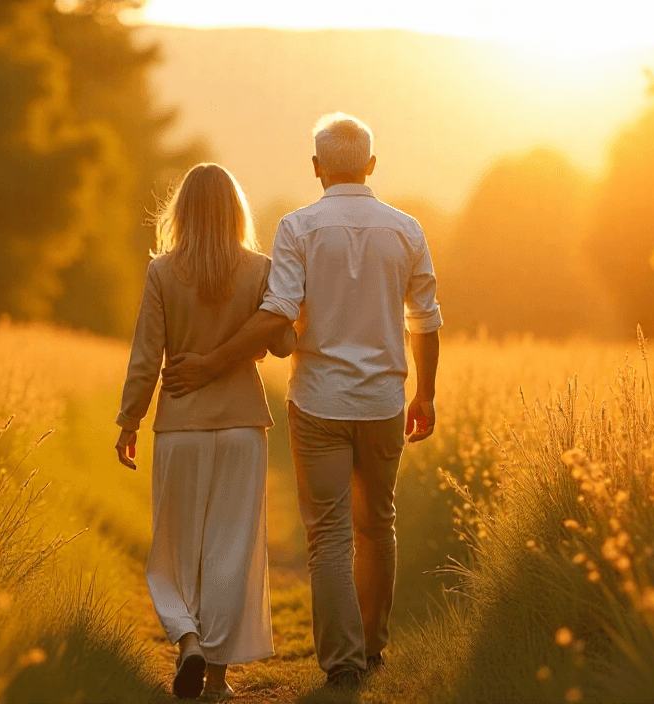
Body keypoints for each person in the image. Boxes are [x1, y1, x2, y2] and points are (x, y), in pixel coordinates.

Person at [162, 113, 442, 691]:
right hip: (386, 400)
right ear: (371, 164)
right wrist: (426, 394)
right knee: (379, 523)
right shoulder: (407, 229)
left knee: (331, 534)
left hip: (318, 402)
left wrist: (211, 363)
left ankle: (341, 662)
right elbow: (427, 319)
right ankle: (373, 648)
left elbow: (278, 314)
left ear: (316, 168)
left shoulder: (298, 228)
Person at [113, 163, 294, 700]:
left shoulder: (163, 273)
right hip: (242, 427)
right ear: (236, 210)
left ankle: (187, 639)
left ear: (182, 212)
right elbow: (283, 345)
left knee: (173, 548)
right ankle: (217, 678)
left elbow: (147, 357)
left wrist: (130, 420)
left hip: (181, 427)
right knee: (230, 550)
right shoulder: (261, 269)